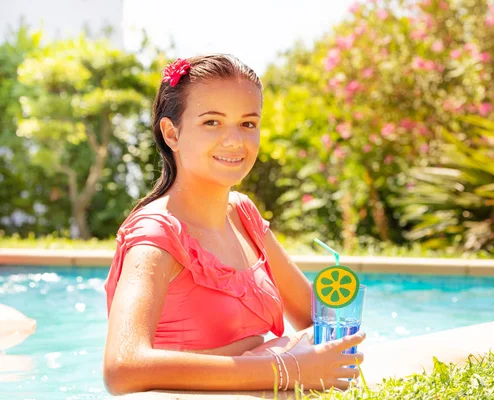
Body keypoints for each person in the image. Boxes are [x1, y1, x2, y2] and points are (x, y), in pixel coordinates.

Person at [103, 54, 365, 396]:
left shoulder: (242, 215)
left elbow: (317, 320)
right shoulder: (156, 236)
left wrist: (335, 317)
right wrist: (285, 367)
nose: (234, 141)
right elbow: (122, 368)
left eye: (248, 123)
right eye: (212, 122)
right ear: (171, 133)